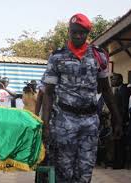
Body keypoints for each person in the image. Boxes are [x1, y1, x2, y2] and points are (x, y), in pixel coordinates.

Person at [41, 13, 122, 183]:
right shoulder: (57, 57)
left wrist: (117, 119)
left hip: (90, 122)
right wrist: (45, 124)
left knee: (85, 171)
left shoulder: (98, 56)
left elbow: (106, 89)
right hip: (64, 121)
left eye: (82, 32)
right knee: (63, 171)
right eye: (75, 32)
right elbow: (48, 92)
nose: (78, 36)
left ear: (87, 34)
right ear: (69, 31)